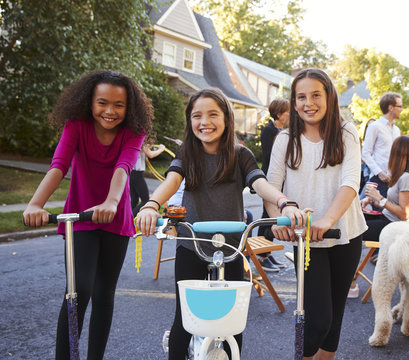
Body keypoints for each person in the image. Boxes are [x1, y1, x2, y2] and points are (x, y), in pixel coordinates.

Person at [135, 88, 305, 359]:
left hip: (232, 249)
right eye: (197, 116)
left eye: (213, 114)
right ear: (190, 121)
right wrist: (151, 205)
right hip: (192, 245)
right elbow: (172, 181)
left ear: (226, 118)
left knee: (232, 325)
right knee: (184, 321)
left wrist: (285, 202)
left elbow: (259, 183)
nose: (205, 122)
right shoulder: (187, 153)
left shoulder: (240, 154)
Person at [23, 70, 153, 359]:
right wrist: (35, 203)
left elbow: (124, 167)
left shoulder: (134, 131)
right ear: (89, 102)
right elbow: (59, 165)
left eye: (119, 105)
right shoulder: (77, 125)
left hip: (113, 217)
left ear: (129, 107)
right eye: (102, 103)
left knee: (104, 293)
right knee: (78, 289)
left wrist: (111, 202)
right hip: (79, 217)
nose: (110, 111)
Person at [265, 68, 367, 359]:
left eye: (316, 95)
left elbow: (350, 182)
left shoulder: (346, 132)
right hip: (306, 239)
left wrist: (327, 220)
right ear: (294, 102)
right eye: (301, 97)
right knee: (317, 318)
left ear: (329, 97)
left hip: (345, 232)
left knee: (334, 318)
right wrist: (278, 220)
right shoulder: (285, 139)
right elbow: (272, 187)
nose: (308, 103)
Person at [349, 136, 409, 296]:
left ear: (397, 153)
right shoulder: (405, 176)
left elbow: (404, 213)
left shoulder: (407, 178)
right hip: (389, 221)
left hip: (394, 228)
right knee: (352, 221)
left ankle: (351, 283)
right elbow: (394, 206)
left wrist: (379, 198)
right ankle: (351, 279)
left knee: (351, 233)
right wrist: (372, 201)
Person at [257, 98, 290, 272]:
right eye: (288, 112)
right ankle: (261, 255)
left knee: (276, 216)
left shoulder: (287, 131)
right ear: (279, 115)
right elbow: (270, 156)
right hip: (269, 178)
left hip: (283, 178)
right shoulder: (269, 131)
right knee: (267, 218)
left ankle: (267, 253)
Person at [361, 92, 402, 209]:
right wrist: (379, 172)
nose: (402, 109)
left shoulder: (397, 130)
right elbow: (365, 153)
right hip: (379, 179)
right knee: (380, 216)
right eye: (400, 106)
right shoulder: (375, 126)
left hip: (395, 180)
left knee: (393, 214)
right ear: (390, 107)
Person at [130, 143, 165, 214]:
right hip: (137, 174)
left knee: (134, 200)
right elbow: (151, 154)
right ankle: (130, 219)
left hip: (131, 173)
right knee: (145, 200)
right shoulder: (141, 140)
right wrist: (161, 149)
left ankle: (125, 219)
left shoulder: (133, 139)